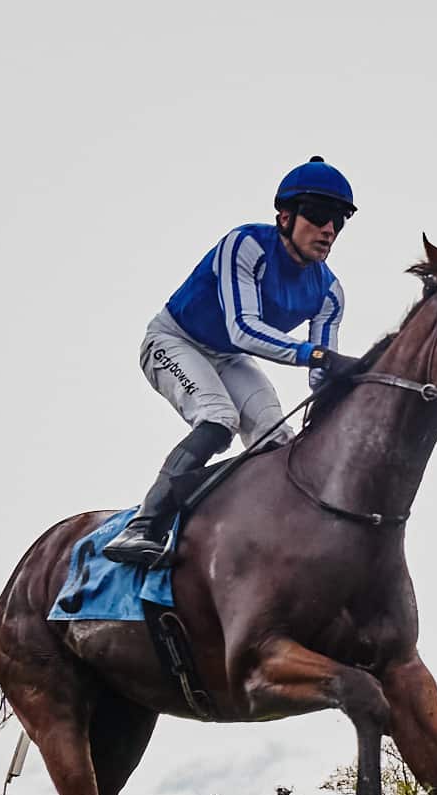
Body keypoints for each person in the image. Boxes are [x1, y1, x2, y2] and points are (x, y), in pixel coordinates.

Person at [102, 158, 363, 567]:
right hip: (174, 340)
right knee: (218, 419)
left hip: (227, 357)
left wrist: (353, 388)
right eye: (318, 215)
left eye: (339, 221)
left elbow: (320, 374)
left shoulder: (330, 292)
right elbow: (244, 329)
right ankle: (144, 526)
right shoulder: (245, 245)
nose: (329, 229)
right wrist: (319, 356)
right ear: (284, 217)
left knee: (276, 438)